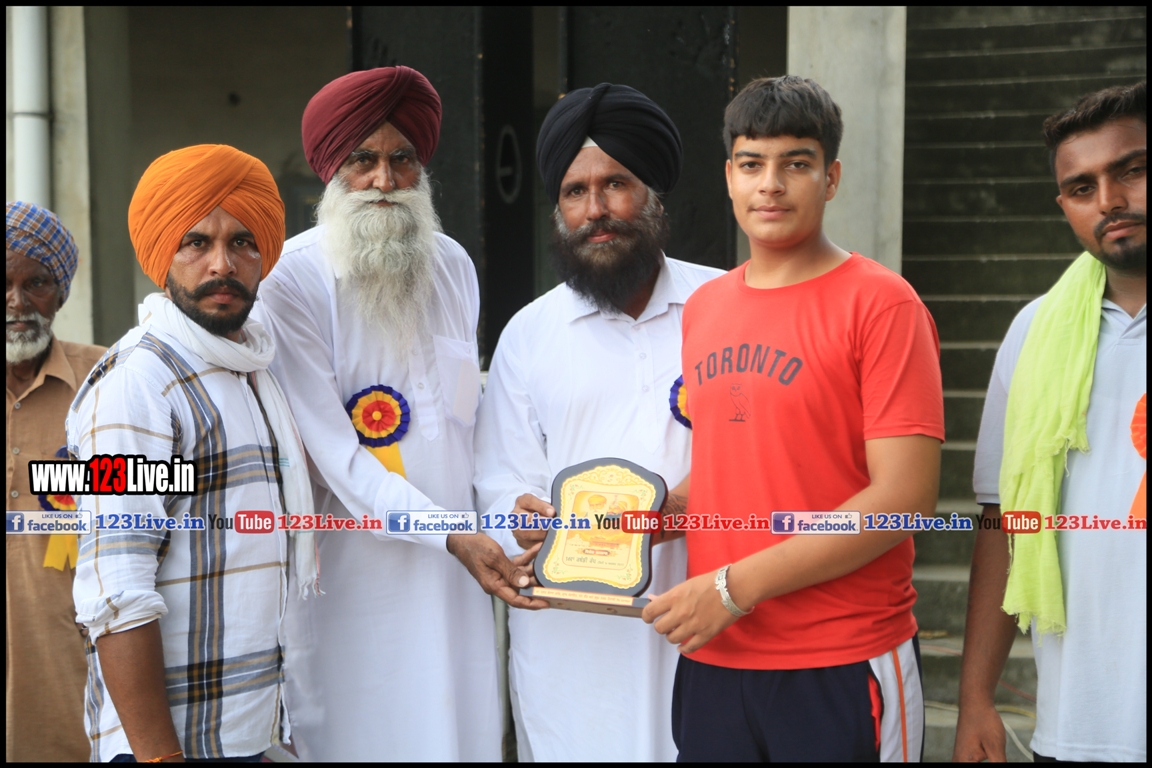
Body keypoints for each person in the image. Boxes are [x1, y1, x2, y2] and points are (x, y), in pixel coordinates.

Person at [643, 75, 944, 761]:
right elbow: (730, 473)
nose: (770, 185)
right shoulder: (707, 308)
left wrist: (733, 588)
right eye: (752, 164)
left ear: (830, 178)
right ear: (729, 176)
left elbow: (903, 499)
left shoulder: (883, 304)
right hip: (717, 659)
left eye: (796, 163)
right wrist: (618, 523)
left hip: (840, 657)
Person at [253, 65, 533, 762]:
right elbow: (335, 458)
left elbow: (468, 429)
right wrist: (452, 535)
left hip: (461, 576)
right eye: (363, 159)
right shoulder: (291, 279)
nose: (384, 179)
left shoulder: (454, 265)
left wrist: (500, 519)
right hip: (353, 578)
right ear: (330, 170)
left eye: (401, 158)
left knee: (460, 731)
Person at [474, 82, 723, 762]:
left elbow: (771, 454)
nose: (596, 210)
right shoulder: (530, 333)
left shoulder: (725, 304)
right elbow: (499, 477)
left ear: (654, 193)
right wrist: (518, 513)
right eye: (575, 192)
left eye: (616, 184)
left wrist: (689, 507)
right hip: (574, 640)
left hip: (705, 616)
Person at [69, 144, 313, 762]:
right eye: (196, 242)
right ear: (163, 256)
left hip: (247, 733)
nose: (221, 264)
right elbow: (117, 587)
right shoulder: (137, 385)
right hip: (169, 743)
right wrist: (160, 756)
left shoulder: (252, 369)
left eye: (242, 242)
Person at [955, 81, 1146, 763]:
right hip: (1077, 724)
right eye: (1082, 187)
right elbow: (1003, 522)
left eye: (1132, 170)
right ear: (1064, 205)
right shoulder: (1034, 334)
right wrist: (975, 697)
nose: (1110, 201)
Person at [6, 201, 105, 762]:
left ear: (61, 292)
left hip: (71, 659)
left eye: (36, 283)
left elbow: (152, 502)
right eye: (4, 284)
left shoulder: (107, 378)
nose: (17, 303)